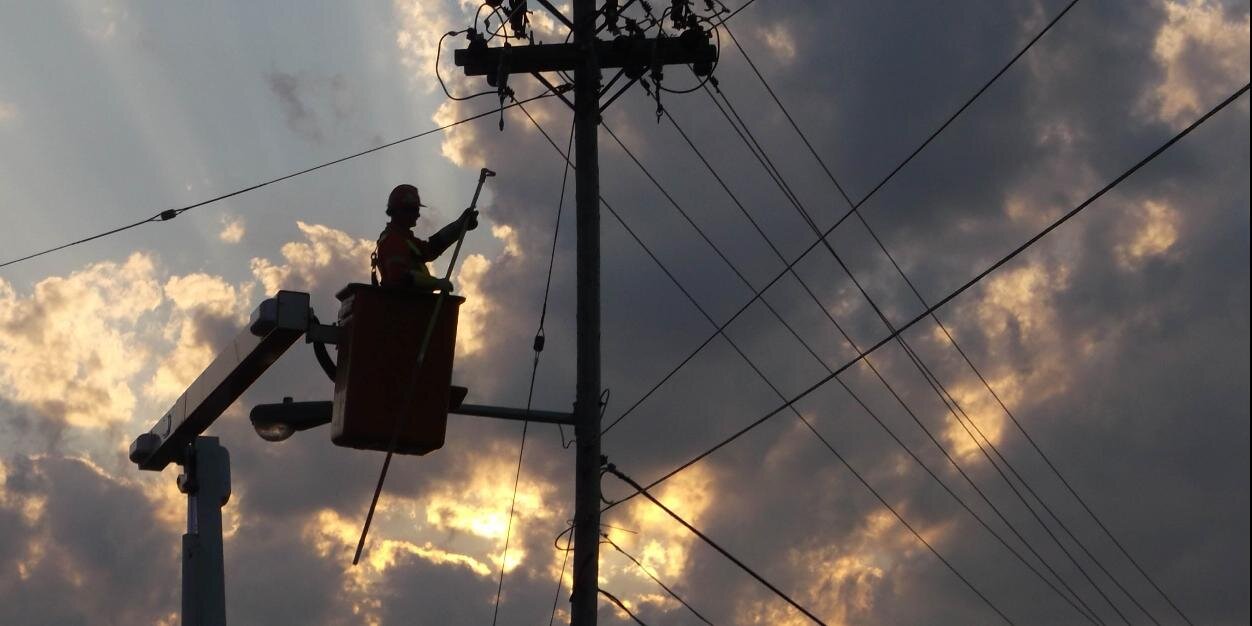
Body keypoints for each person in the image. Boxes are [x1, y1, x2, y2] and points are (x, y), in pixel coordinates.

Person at [372, 184, 479, 290]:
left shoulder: (405, 239)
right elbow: (399, 277)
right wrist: (435, 283)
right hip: (403, 305)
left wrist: (459, 226)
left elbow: (431, 248)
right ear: (401, 210)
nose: (418, 215)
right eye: (415, 210)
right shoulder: (393, 241)